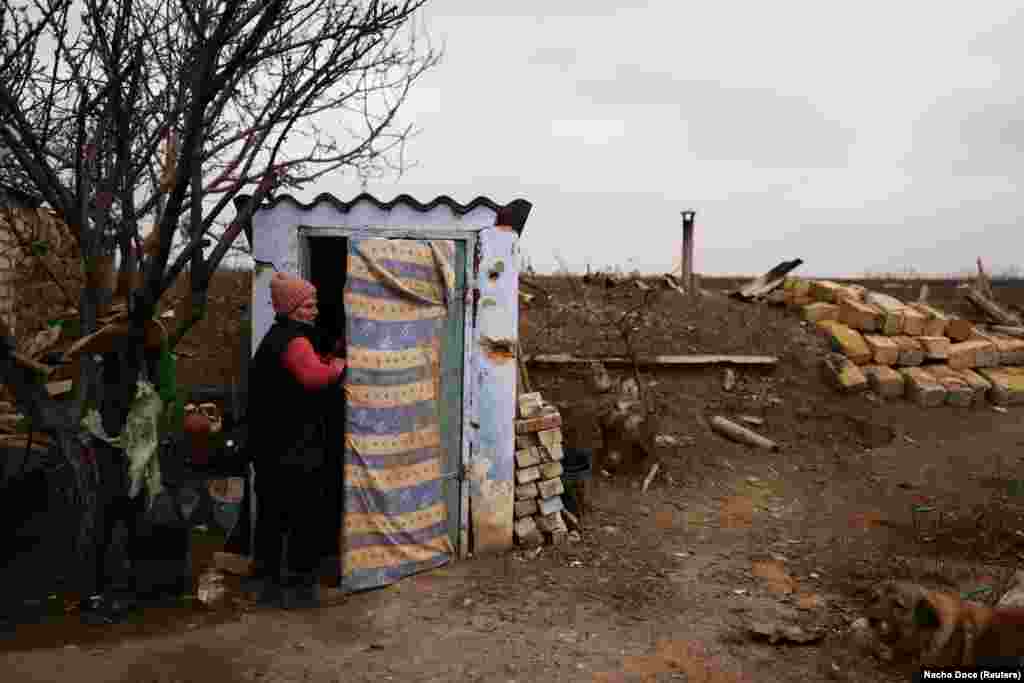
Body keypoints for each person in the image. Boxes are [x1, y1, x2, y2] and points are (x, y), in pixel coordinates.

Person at [245, 272, 345, 609]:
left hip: (271, 444)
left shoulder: (277, 337)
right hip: (291, 446)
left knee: (273, 516)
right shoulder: (294, 340)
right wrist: (341, 366)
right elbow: (314, 377)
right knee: (302, 514)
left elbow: (301, 371)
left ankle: (268, 585)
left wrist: (326, 361)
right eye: (309, 304)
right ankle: (302, 588)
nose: (315, 310)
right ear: (292, 307)